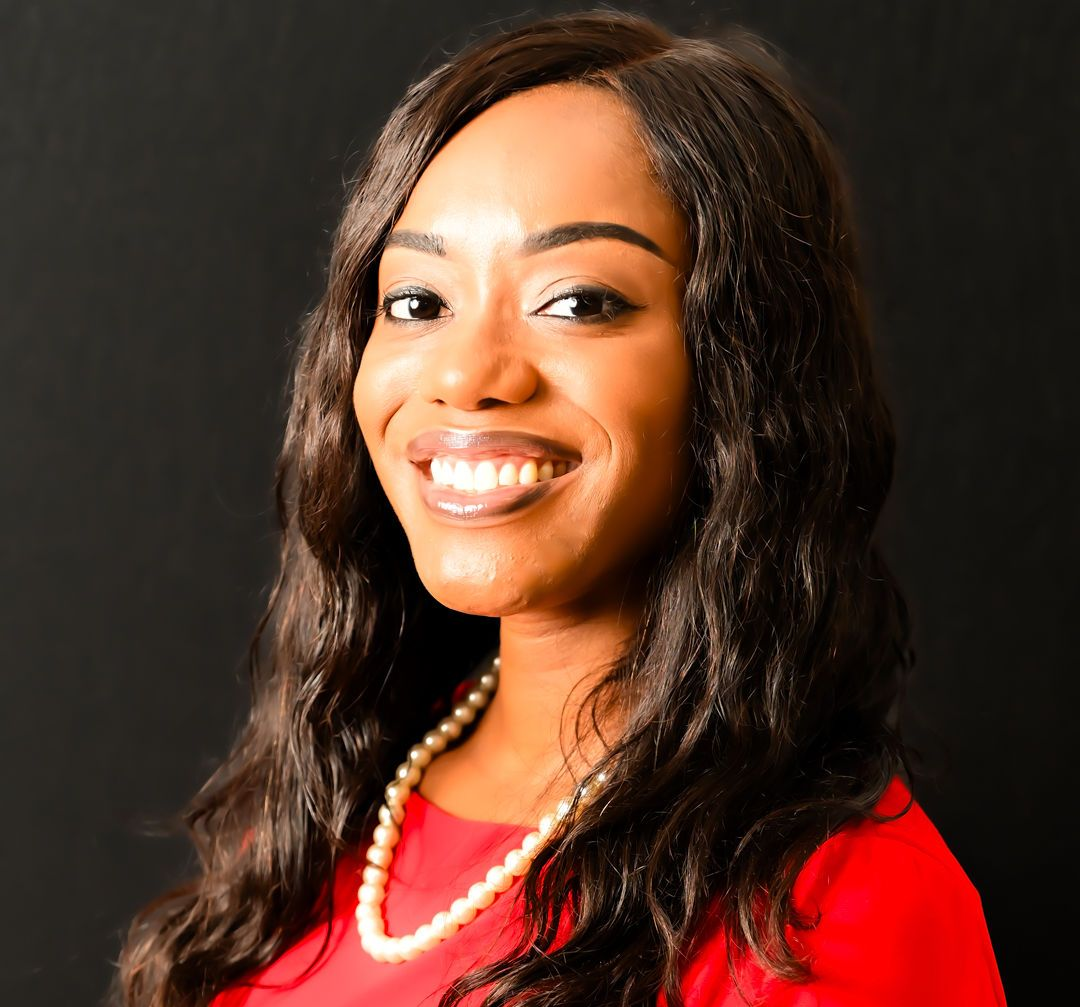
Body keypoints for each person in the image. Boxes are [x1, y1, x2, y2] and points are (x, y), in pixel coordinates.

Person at [109, 9, 1007, 1007]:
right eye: (417, 301)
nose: (467, 373)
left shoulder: (836, 909)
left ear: (743, 368)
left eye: (577, 299)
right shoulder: (327, 810)